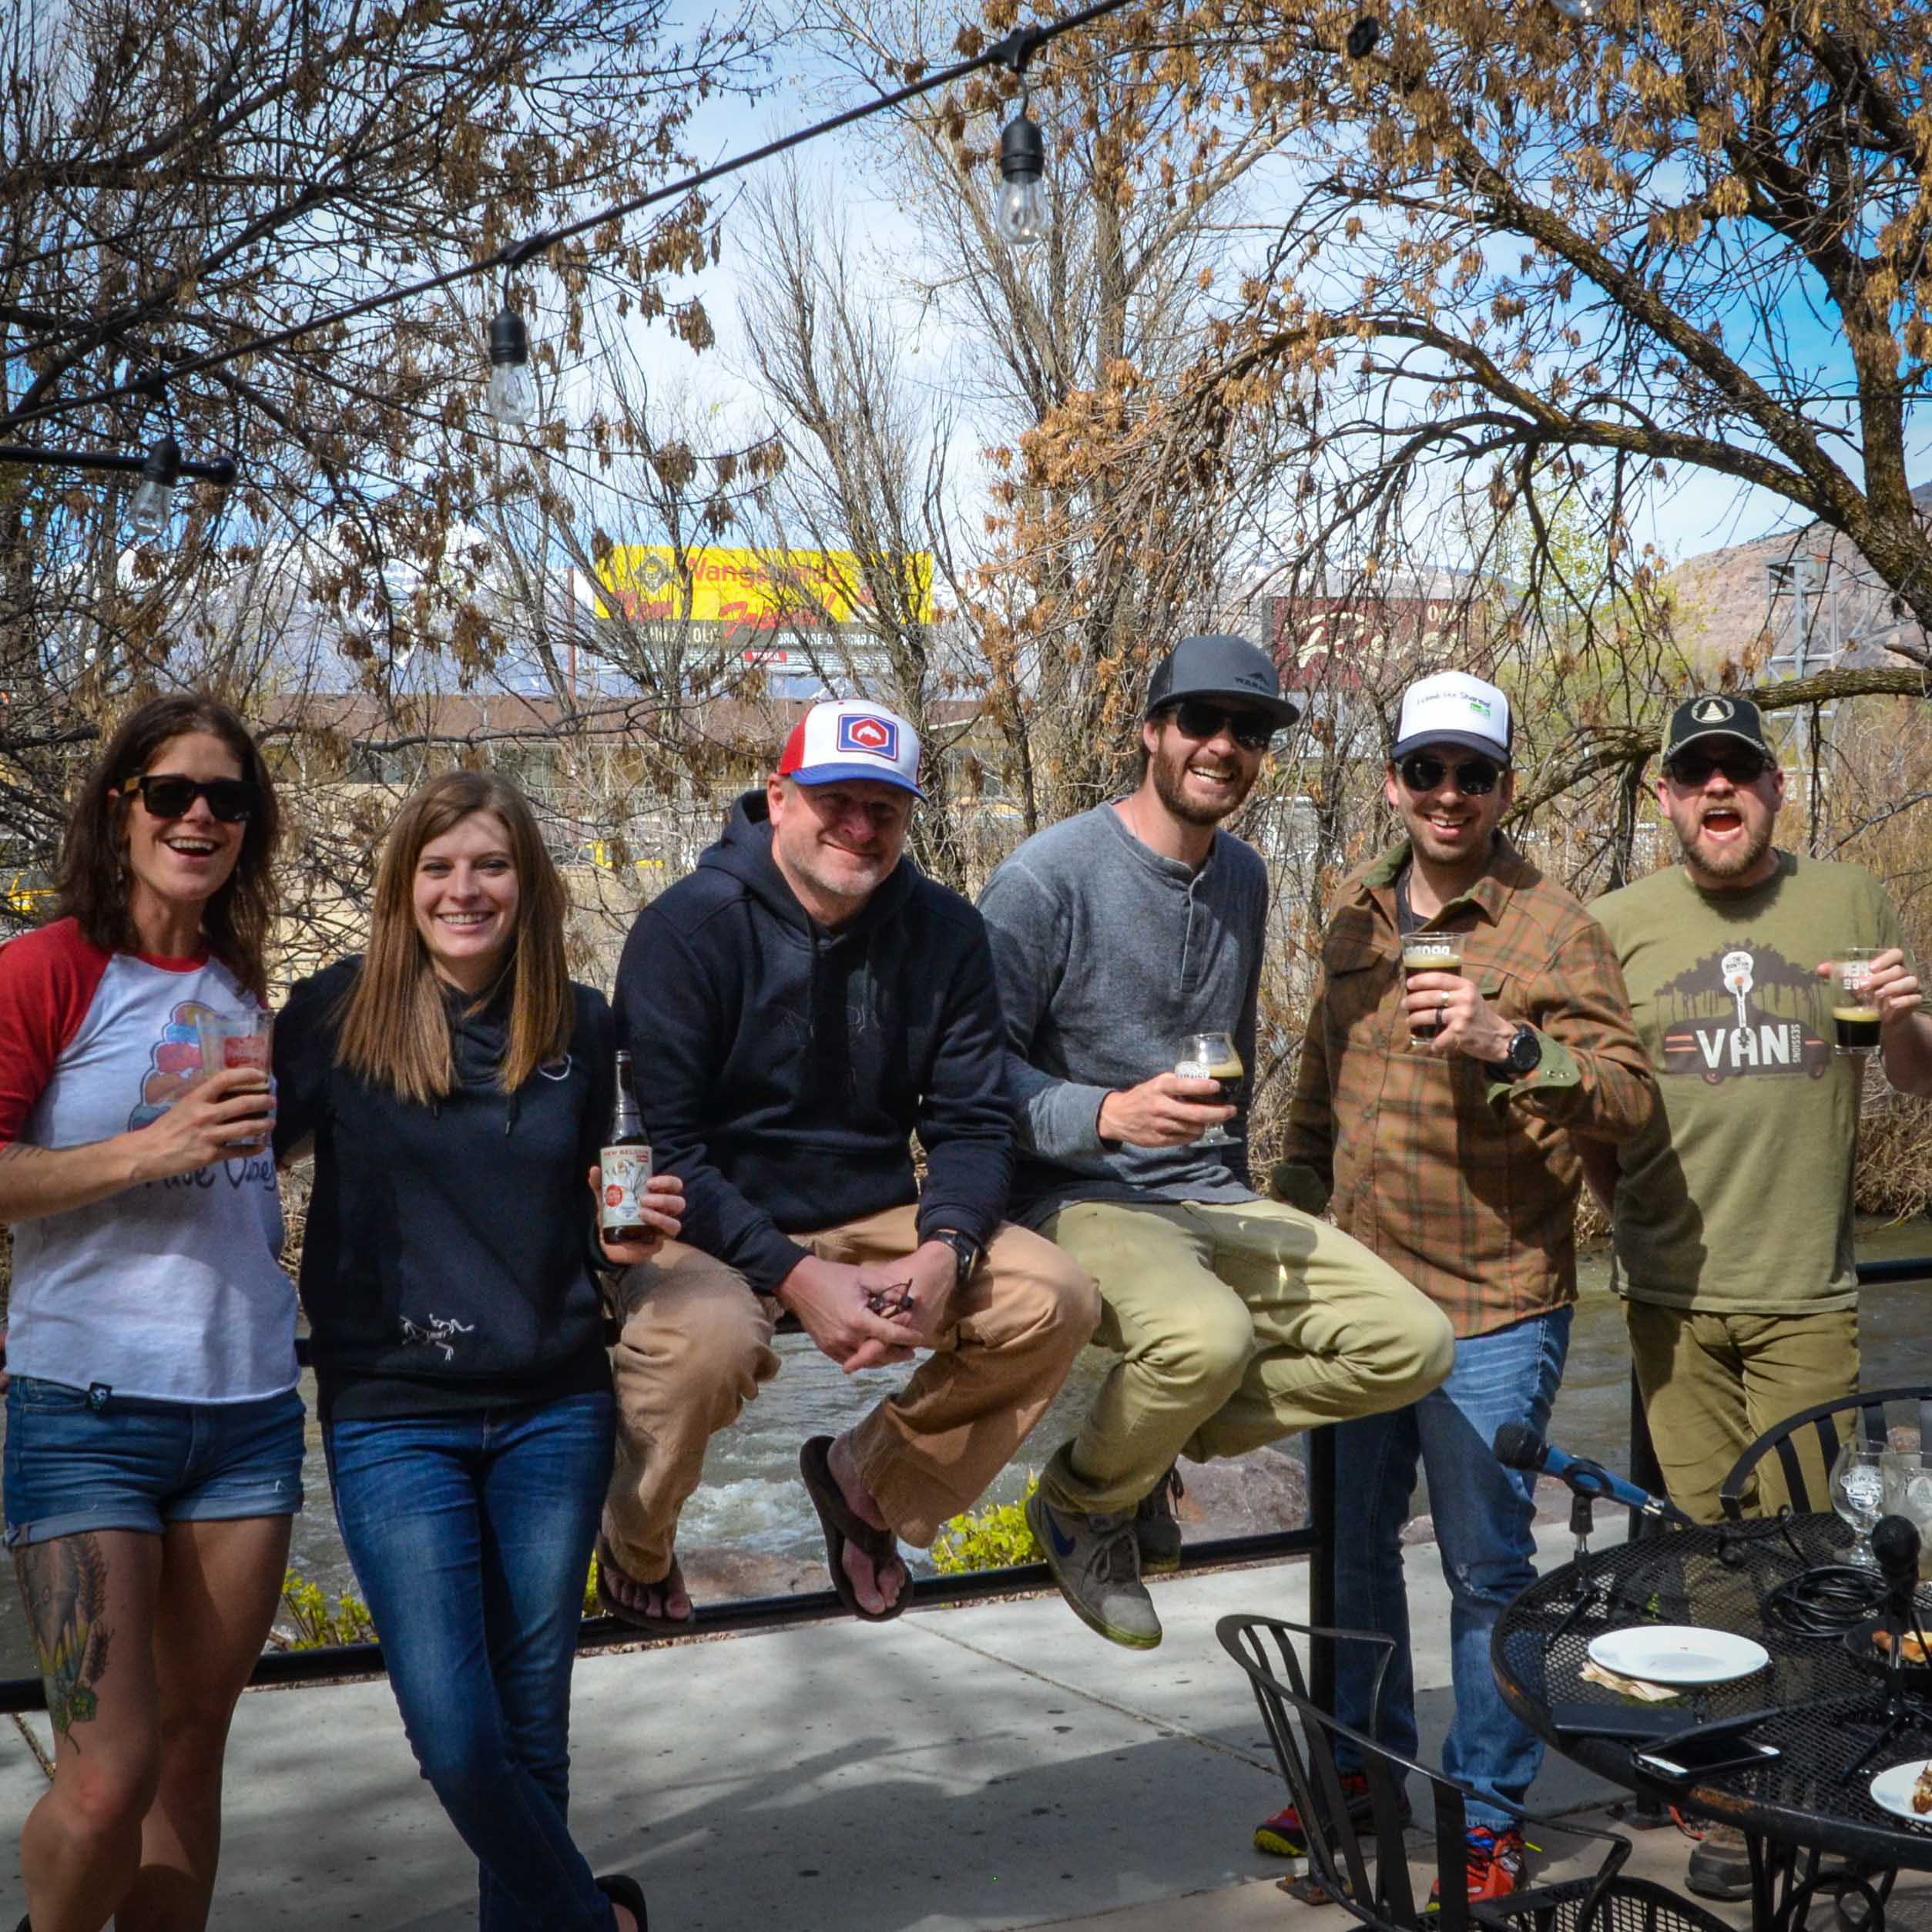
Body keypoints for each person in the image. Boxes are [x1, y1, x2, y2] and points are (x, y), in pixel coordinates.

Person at [977, 636, 1456, 1652]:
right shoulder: (1043, 880)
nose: (1225, 746)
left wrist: (1242, 1187)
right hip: (1080, 1193)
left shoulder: (1243, 874)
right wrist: (1105, 1113)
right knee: (1206, 1337)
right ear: (1151, 731)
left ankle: (1138, 1456)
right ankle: (1084, 1500)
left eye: (1248, 731)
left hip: (1211, 1193)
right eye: (1201, 722)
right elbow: (968, 1085)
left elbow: (1227, 1058)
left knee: (1414, 1344)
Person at [1273, 671, 1656, 1902]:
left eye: (1474, 774)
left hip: (1497, 1300)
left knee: (1490, 1570)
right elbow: (1316, 1104)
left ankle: (1486, 1813)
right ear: (1394, 780)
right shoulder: (1352, 916)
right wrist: (1276, 1244)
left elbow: (1633, 1101)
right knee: (1354, 1554)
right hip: (1357, 1299)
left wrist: (1513, 1043)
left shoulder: (1556, 928)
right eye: (1427, 770)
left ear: (1505, 787)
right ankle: (1361, 1772)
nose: (1449, 795)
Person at [273, 771, 679, 1932]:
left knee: (531, 1731)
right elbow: (229, 1162)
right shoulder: (336, 1016)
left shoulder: (586, 1026)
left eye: (489, 865)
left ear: (529, 884)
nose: (464, 889)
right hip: (394, 1412)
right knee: (456, 1737)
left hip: (554, 1406)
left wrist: (631, 1233)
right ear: (403, 886)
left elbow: (612, 1205)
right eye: (439, 866)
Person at [596, 699, 1098, 1629]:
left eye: (886, 810)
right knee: (703, 1347)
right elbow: (661, 1148)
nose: (861, 829)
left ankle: (867, 1483)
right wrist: (794, 1275)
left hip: (876, 1214)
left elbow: (974, 1125)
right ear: (779, 797)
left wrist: (946, 1251)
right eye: (837, 801)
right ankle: (635, 1541)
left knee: (1055, 1297)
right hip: (705, 1217)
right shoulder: (687, 931)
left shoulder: (946, 935)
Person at [1579, 693, 1932, 1900]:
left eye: (1741, 771)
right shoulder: (1615, 924)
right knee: (1707, 1561)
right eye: (1696, 775)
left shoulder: (1846, 902)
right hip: (1668, 1295)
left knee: (1815, 1558)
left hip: (1803, 1291)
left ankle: (1816, 1783)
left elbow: (1916, 1082)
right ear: (1666, 797)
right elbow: (1592, 1106)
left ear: (1776, 790)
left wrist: (1906, 1016)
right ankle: (1733, 1801)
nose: (1718, 791)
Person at [0, 693, 297, 1932]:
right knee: (107, 1773)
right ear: (118, 806)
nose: (198, 817)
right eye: (170, 792)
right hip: (85, 1410)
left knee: (188, 1754)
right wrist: (149, 1147)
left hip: (246, 1413)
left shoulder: (242, 983)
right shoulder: (46, 968)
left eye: (226, 800)